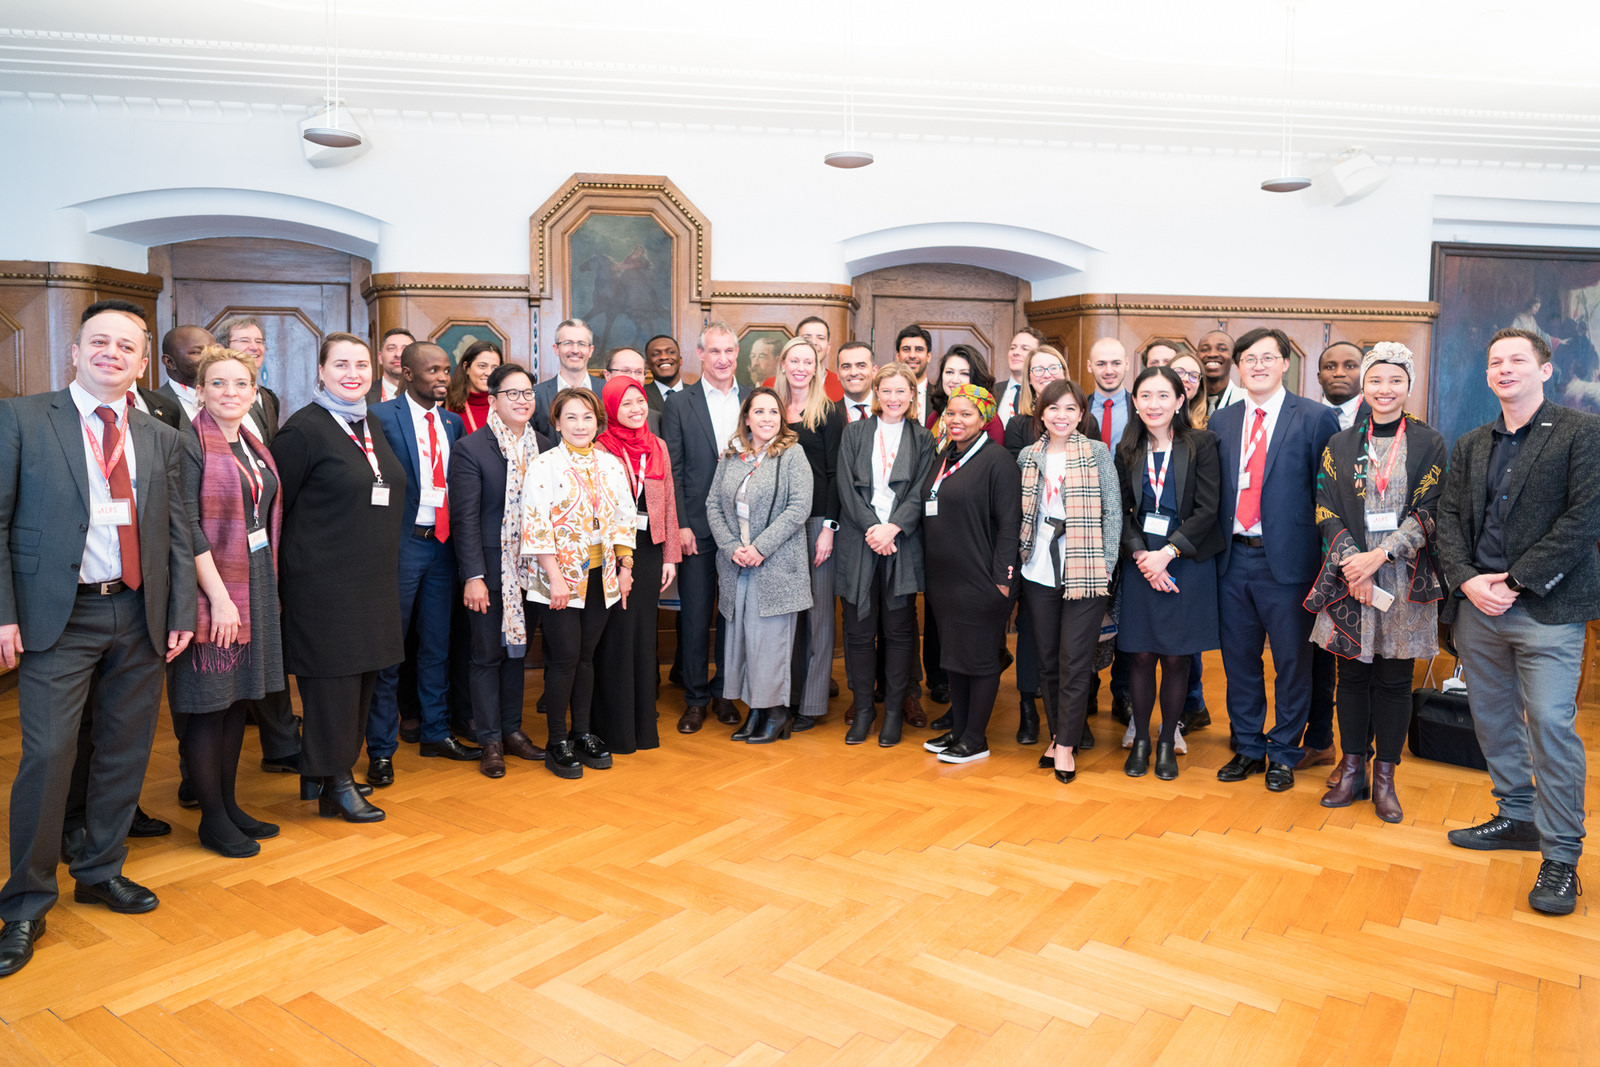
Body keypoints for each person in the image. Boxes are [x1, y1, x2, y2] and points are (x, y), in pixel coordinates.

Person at [0, 301, 197, 978]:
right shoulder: (24, 419)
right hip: (58, 616)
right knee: (48, 755)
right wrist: (3, 613)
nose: (112, 352)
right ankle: (25, 902)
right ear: (75, 352)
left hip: (139, 613)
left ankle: (100, 868)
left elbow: (176, 529)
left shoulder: (161, 435)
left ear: (142, 363)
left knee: (124, 749)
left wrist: (180, 609)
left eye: (126, 345)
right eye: (99, 341)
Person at [1437, 327, 1600, 916]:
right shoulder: (1472, 443)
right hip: (1478, 608)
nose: (1504, 369)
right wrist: (1467, 579)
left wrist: (1515, 582)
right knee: (1493, 720)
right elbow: (1448, 518)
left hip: (1546, 610)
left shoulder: (1581, 433)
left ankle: (1561, 858)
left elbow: (1584, 519)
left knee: (1551, 727)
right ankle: (1516, 816)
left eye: (1516, 360)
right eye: (1495, 362)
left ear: (1545, 369)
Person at [1303, 344, 1446, 822]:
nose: (1385, 390)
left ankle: (1385, 776)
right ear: (1364, 386)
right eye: (1376, 380)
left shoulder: (1428, 442)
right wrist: (1354, 565)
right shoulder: (1340, 444)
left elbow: (1432, 510)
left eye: (1395, 381)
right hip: (1349, 578)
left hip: (1404, 580)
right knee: (1351, 678)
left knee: (1394, 680)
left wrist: (1380, 556)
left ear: (1409, 386)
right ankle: (1352, 769)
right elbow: (1325, 507)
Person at [272, 332, 403, 823]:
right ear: (321, 371)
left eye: (361, 364)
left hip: (371, 580)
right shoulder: (303, 431)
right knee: (333, 687)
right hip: (323, 585)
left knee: (363, 678)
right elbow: (275, 510)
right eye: (341, 364)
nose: (353, 373)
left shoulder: (368, 422)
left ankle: (327, 772)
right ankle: (336, 783)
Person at [168, 346, 287, 859]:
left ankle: (230, 805)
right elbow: (186, 525)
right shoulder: (188, 444)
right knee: (208, 705)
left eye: (240, 384)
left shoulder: (253, 444)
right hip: (211, 588)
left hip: (253, 579)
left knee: (238, 700)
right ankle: (212, 820)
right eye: (217, 383)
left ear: (254, 392)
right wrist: (218, 598)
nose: (230, 392)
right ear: (199, 391)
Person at [1212, 328, 1341, 791]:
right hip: (1232, 560)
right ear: (1238, 367)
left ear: (1286, 363)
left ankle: (1285, 751)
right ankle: (1248, 746)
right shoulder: (1221, 421)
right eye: (1249, 358)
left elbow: (1328, 495)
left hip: (1288, 564)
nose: (1258, 365)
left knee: (1293, 663)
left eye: (1268, 357)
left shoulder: (1316, 418)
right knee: (1239, 662)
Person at [367, 342, 480, 786]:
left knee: (437, 646)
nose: (442, 378)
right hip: (401, 547)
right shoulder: (379, 418)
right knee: (390, 650)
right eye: (432, 370)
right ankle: (381, 750)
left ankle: (436, 732)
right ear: (407, 373)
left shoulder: (453, 423)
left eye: (446, 370)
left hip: (443, 548)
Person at [1113, 366, 1224, 780]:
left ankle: (1166, 743)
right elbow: (1121, 511)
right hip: (1142, 563)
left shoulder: (1202, 444)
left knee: (1177, 658)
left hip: (1186, 562)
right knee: (1141, 655)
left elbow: (1208, 509)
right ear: (1135, 402)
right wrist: (1144, 555)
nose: (1153, 404)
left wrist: (1168, 553)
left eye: (1163, 396)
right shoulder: (1127, 448)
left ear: (1180, 400)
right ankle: (1141, 739)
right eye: (1145, 396)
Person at [521, 387, 635, 778]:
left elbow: (624, 518)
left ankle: (581, 733)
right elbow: (536, 525)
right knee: (565, 657)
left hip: (601, 577)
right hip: (559, 578)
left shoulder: (610, 464)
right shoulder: (544, 465)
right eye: (571, 417)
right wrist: (555, 578)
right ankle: (557, 741)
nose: (580, 425)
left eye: (587, 417)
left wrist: (625, 567)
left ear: (597, 422)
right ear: (556, 422)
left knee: (586, 656)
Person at [449, 362, 552, 778]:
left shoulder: (545, 446)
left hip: (533, 570)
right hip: (491, 571)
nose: (522, 400)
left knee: (517, 653)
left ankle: (512, 731)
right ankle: (489, 739)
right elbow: (465, 520)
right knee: (487, 655)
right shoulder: (472, 448)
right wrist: (473, 576)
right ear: (493, 400)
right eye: (512, 393)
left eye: (528, 393)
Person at [1017, 379, 1120, 783]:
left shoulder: (1097, 452)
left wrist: (1106, 564)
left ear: (1081, 415)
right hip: (1037, 566)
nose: (1061, 416)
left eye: (1070, 408)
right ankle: (1059, 734)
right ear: (1041, 413)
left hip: (1086, 568)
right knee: (1046, 659)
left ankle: (1065, 747)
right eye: (1053, 408)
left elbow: (1113, 512)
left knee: (1075, 661)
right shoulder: (1028, 456)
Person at [705, 387, 814, 742]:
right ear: (747, 418)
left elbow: (799, 507)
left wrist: (760, 548)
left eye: (773, 412)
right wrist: (731, 546)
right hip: (737, 564)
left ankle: (777, 713)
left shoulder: (793, 454)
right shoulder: (731, 456)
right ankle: (756, 710)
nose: (767, 418)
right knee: (744, 642)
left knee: (770, 643)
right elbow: (713, 505)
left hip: (776, 566)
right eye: (759, 411)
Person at [837, 364, 938, 746]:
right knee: (859, 630)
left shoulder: (923, 438)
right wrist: (873, 529)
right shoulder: (855, 432)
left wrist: (892, 528)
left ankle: (894, 711)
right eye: (887, 390)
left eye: (901, 391)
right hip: (859, 540)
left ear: (912, 395)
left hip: (902, 543)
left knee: (899, 630)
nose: (894, 398)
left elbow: (922, 490)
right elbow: (846, 488)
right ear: (876, 392)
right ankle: (864, 710)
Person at [921, 385, 1022, 764]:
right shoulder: (945, 454)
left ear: (984, 419)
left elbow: (1009, 524)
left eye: (966, 414)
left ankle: (976, 739)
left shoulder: (997, 461)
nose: (956, 420)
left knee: (979, 659)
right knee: (955, 658)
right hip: (945, 581)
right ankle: (959, 730)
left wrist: (1003, 579)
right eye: (951, 413)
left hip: (982, 580)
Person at [592, 375, 681, 754]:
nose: (635, 409)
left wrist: (670, 556)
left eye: (640, 401)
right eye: (626, 403)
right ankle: (615, 729)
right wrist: (615, 559)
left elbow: (670, 503)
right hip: (613, 551)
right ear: (611, 408)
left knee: (644, 636)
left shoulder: (657, 445)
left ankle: (643, 727)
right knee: (615, 636)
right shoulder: (600, 448)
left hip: (649, 550)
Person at [662, 321, 744, 733]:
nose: (723, 359)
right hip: (697, 528)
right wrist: (680, 525)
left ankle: (725, 693)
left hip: (743, 530)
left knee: (732, 615)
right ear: (700, 355)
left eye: (729, 350)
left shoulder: (754, 400)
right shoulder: (680, 403)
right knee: (695, 617)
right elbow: (672, 470)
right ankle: (695, 699)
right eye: (715, 351)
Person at [770, 337, 844, 729]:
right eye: (794, 360)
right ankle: (790, 696)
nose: (800, 368)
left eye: (808, 361)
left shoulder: (829, 413)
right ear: (783, 364)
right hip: (779, 526)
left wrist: (829, 529)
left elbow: (835, 476)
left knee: (818, 619)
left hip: (817, 524)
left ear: (817, 368)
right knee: (789, 615)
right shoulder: (771, 409)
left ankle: (812, 705)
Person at [1163, 350, 1215, 732]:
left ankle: (1189, 706)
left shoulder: (1209, 430)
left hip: (1193, 546)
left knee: (1185, 640)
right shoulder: (1146, 426)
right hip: (1150, 547)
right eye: (1179, 371)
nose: (1186, 378)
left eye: (1193, 374)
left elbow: (1208, 502)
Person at [215, 315, 281, 445]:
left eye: (259, 341)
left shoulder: (269, 398)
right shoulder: (216, 396)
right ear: (222, 348)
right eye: (245, 341)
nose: (255, 347)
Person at [532, 318, 599, 438]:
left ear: (590, 350)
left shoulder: (607, 391)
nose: (575, 350)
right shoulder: (537, 396)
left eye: (581, 344)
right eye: (568, 343)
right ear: (556, 349)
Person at [1003, 344, 1070, 457]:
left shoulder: (1084, 419)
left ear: (1064, 373)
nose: (1047, 375)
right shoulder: (1017, 426)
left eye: (1054, 368)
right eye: (1038, 370)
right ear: (1029, 378)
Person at [447, 339, 504, 435]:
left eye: (495, 368)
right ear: (466, 368)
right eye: (482, 366)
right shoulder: (447, 404)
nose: (489, 373)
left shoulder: (506, 404)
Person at [996, 328, 1045, 426]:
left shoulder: (1044, 393)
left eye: (1024, 349)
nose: (1016, 352)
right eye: (1012, 348)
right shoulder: (992, 391)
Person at [1198, 330, 1245, 415]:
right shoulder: (1186, 400)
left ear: (1234, 357)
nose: (1212, 354)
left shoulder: (1246, 400)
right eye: (1205, 349)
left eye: (1222, 349)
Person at [367, 327, 415, 405]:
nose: (398, 354)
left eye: (405, 349)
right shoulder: (363, 395)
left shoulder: (428, 395)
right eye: (391, 348)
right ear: (380, 357)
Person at [837, 342, 876, 423]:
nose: (853, 373)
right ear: (838, 374)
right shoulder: (827, 415)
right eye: (846, 367)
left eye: (861, 366)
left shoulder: (890, 409)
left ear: (874, 371)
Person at [644, 334, 684, 412]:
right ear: (647, 364)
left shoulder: (700, 394)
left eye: (670, 352)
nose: (664, 357)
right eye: (656, 354)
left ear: (680, 360)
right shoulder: (639, 396)